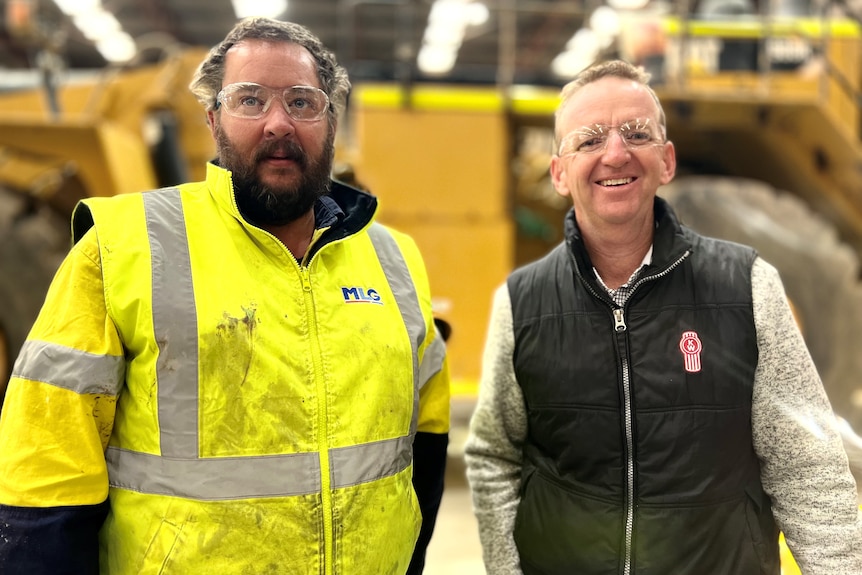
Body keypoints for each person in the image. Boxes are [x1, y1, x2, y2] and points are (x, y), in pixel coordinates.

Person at [0, 17, 450, 575]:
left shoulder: (395, 260)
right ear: (213, 119)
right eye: (250, 100)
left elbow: (423, 451)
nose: (278, 123)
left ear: (331, 119)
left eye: (304, 102)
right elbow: (48, 468)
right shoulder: (122, 246)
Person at [464, 59, 862, 574]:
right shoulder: (521, 303)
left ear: (666, 160)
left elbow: (805, 464)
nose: (614, 153)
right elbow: (495, 457)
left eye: (636, 133)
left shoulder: (747, 286)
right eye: (588, 140)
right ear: (558, 173)